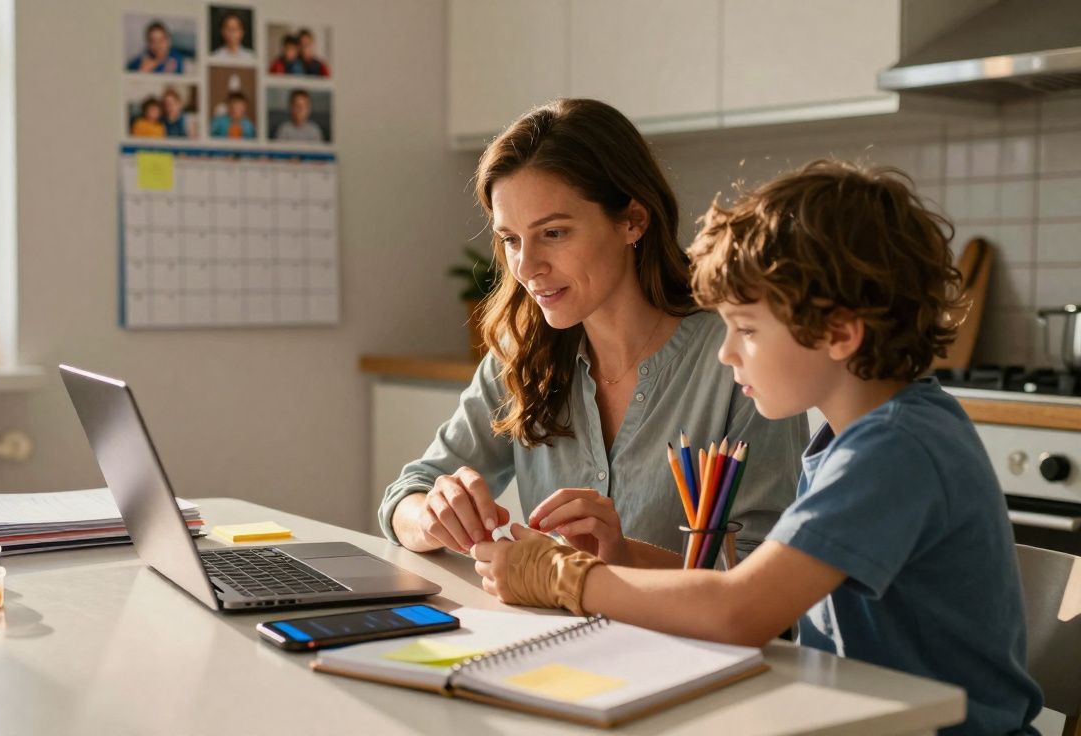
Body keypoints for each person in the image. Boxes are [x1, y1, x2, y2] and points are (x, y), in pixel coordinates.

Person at [471, 160, 1043, 735]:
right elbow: (752, 594)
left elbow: (741, 611)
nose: (726, 353)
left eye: (746, 329)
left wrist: (562, 577)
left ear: (842, 331)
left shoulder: (895, 450)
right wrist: (618, 557)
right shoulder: (859, 436)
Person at [380, 98, 806, 567]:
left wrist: (615, 562)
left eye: (555, 233)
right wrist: (433, 515)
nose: (526, 266)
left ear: (632, 221)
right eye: (510, 239)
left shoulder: (738, 357)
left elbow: (766, 572)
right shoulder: (521, 353)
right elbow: (408, 492)